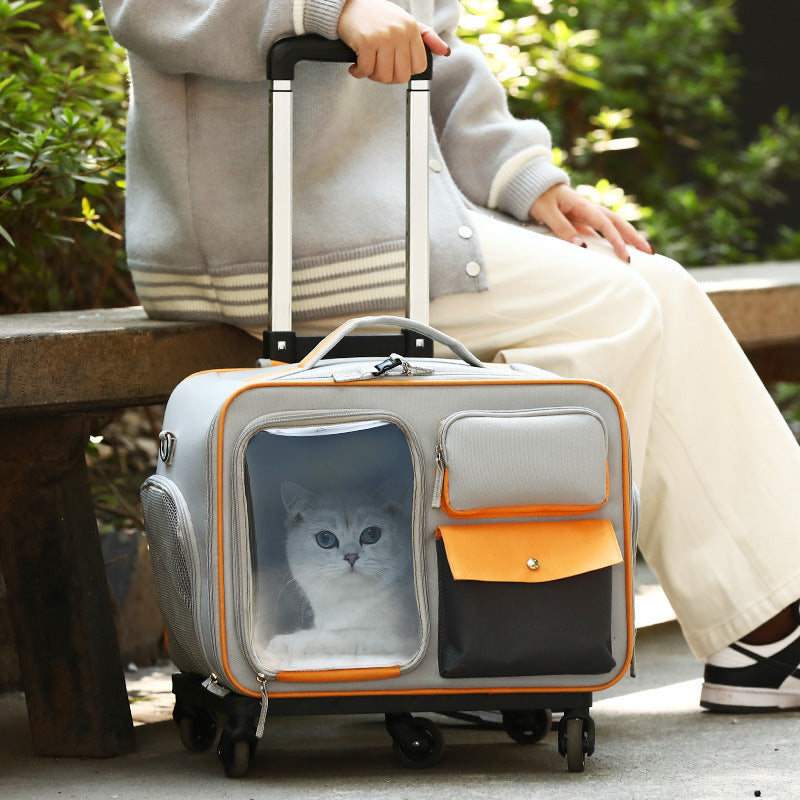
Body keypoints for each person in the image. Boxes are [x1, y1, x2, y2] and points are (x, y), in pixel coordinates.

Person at [101, 0, 800, 712]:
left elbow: (441, 56)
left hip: (385, 220)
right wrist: (331, 11)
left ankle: (764, 634)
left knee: (654, 283)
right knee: (614, 305)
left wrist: (531, 181)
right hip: (267, 238)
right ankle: (512, 623)